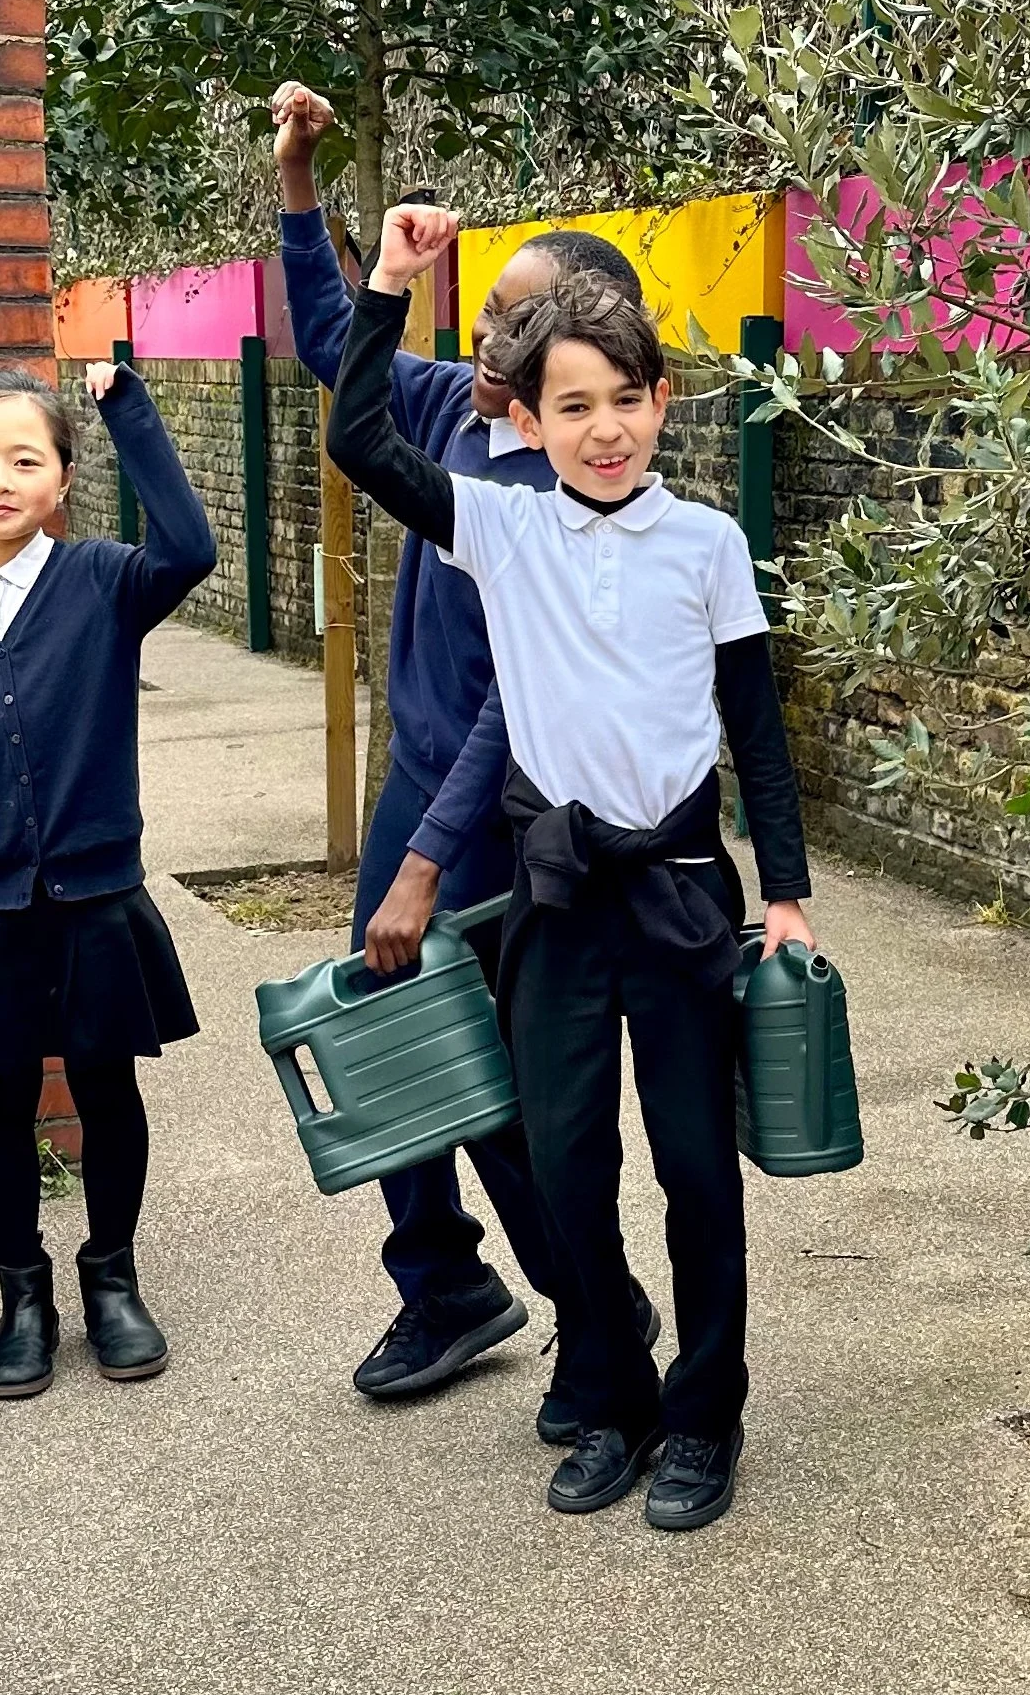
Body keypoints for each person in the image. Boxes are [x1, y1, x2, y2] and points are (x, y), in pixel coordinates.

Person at [327, 204, 817, 1534]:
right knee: (565, 1170)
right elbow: (356, 435)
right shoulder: (501, 528)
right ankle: (615, 1398)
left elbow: (757, 735)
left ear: (664, 403)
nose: (605, 428)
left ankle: (705, 1415)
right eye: (573, 405)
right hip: (555, 904)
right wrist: (388, 281)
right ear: (529, 421)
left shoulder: (709, 547)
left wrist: (782, 896)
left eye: (625, 400)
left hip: (678, 895)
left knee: (696, 1172)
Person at [270, 81, 657, 1429]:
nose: (491, 334)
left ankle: (593, 1307)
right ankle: (443, 1280)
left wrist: (428, 862)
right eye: (489, 309)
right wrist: (302, 182)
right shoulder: (446, 408)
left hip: (501, 812)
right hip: (417, 784)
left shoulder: (573, 488)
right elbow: (336, 347)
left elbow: (522, 694)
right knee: (391, 1030)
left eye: (523, 323)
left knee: (495, 1086)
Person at [0, 362, 216, 1398]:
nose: (0, 479)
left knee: (107, 1088)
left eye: (27, 459)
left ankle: (112, 1277)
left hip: (98, 899)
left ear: (62, 478)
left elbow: (190, 547)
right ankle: (23, 1295)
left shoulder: (105, 582)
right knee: (2, 1103)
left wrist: (128, 412)